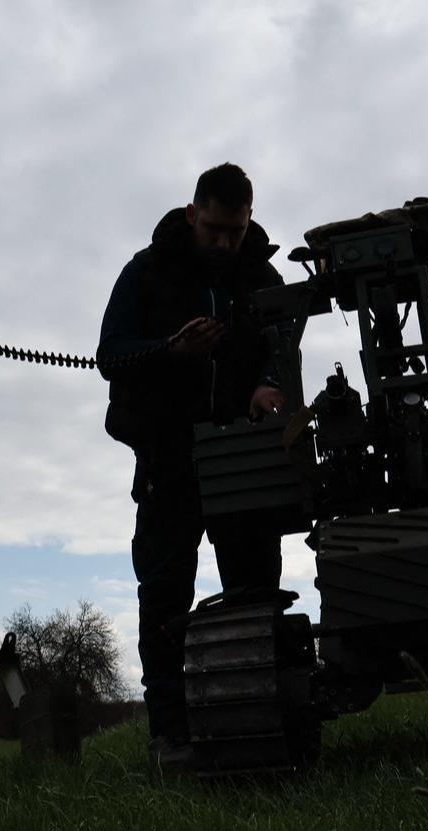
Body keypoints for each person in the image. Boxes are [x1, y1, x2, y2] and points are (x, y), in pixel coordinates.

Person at [96, 163, 285, 767]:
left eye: (234, 230)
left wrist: (268, 385)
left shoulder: (262, 277)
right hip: (168, 459)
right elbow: (109, 354)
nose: (224, 242)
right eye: (213, 230)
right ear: (191, 215)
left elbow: (284, 345)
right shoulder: (145, 271)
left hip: (243, 461)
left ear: (248, 220)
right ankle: (171, 736)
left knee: (254, 594)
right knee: (165, 599)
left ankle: (269, 723)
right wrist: (169, 351)